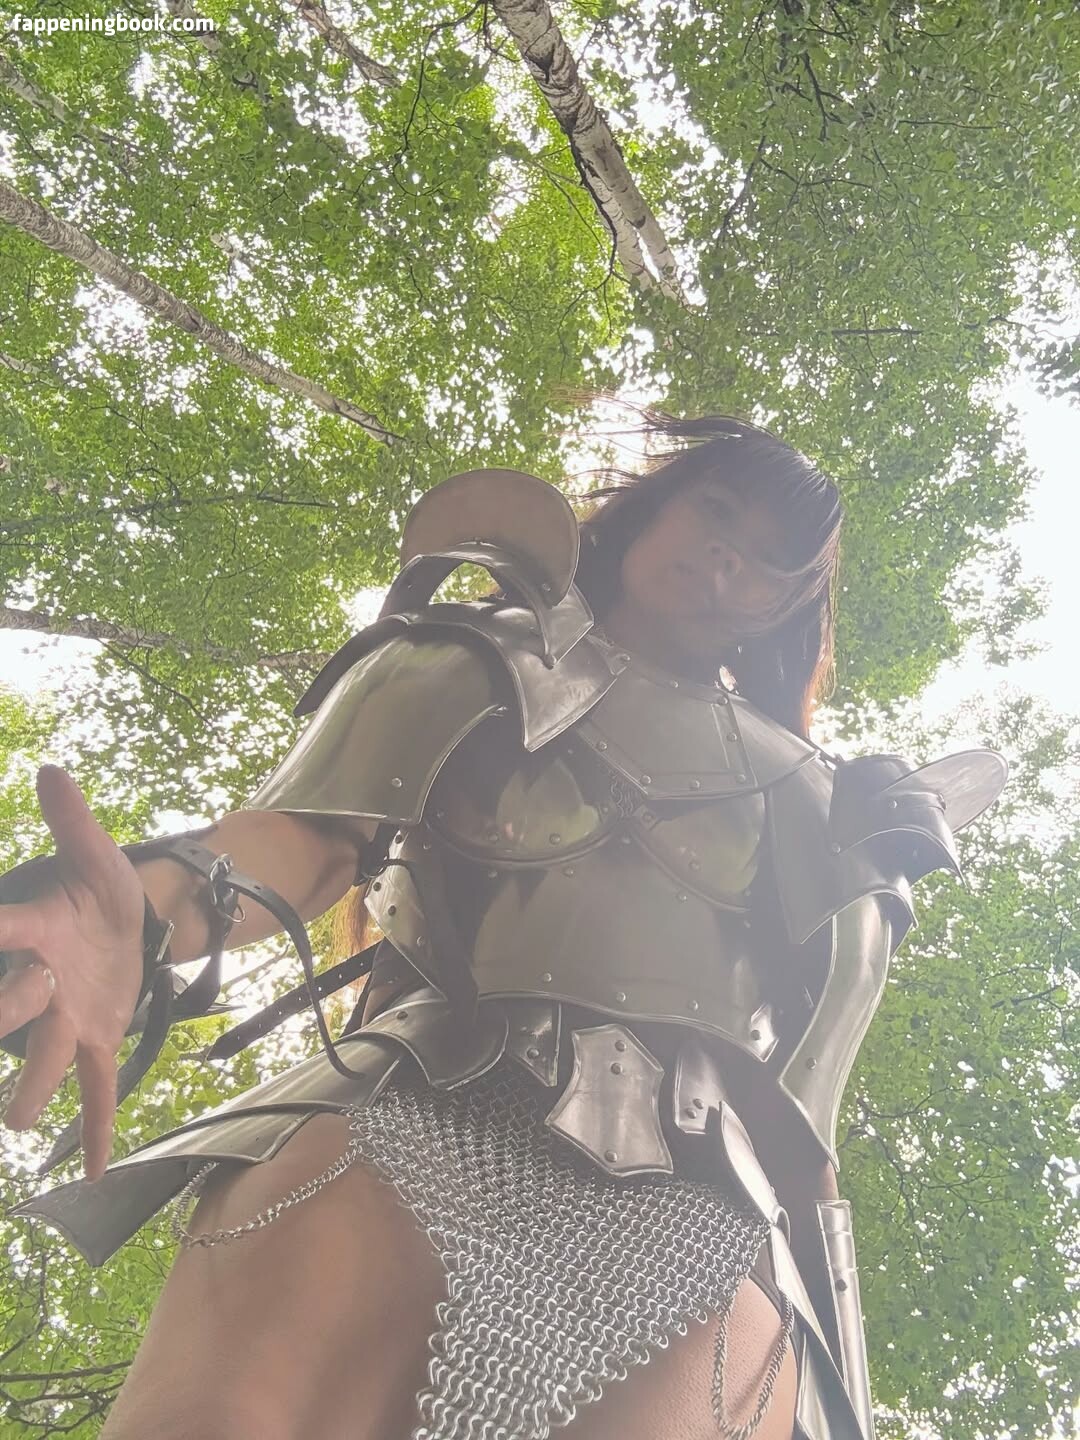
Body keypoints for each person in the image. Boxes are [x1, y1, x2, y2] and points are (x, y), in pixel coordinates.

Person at [0, 412, 1007, 1440]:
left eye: (765, 562)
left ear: (785, 602)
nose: (725, 561)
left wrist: (829, 1359)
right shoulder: (477, 654)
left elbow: (802, 1114)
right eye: (716, 514)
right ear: (652, 508)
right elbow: (309, 837)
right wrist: (144, 913)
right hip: (411, 1103)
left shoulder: (816, 796)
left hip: (699, 1201)